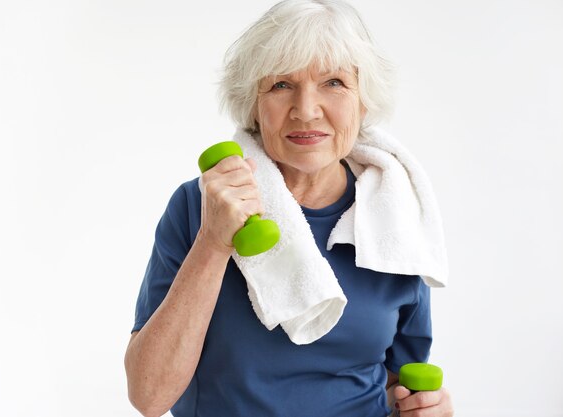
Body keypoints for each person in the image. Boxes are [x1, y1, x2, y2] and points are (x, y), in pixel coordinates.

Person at [124, 0, 454, 416]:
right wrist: (212, 241)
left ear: (363, 102)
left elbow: (397, 382)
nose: (306, 110)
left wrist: (427, 408)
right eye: (281, 85)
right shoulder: (198, 206)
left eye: (334, 82)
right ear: (253, 106)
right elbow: (149, 395)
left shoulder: (393, 216)